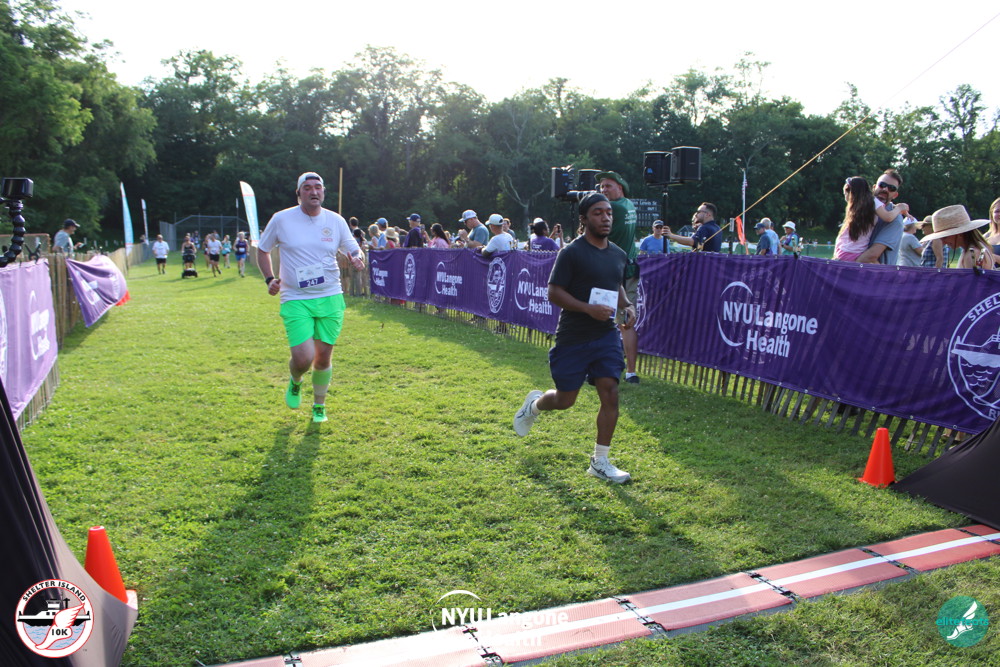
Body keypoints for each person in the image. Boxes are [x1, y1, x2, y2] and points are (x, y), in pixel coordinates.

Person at [512, 192, 635, 484]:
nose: (605, 218)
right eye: (598, 213)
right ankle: (534, 406)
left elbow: (616, 284)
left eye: (609, 213)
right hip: (574, 337)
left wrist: (627, 305)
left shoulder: (618, 254)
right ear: (584, 219)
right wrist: (588, 309)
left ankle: (600, 462)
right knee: (565, 400)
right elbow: (554, 292)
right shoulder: (572, 253)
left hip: (605, 335)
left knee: (610, 391)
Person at [256, 171, 365, 424]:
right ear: (299, 193)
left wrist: (357, 257)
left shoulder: (335, 220)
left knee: (323, 357)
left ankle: (319, 406)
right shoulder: (281, 219)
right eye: (307, 188)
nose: (313, 191)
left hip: (330, 295)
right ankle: (296, 379)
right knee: (303, 358)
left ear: (323, 192)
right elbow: (262, 250)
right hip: (295, 297)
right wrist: (270, 279)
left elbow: (352, 247)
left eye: (318, 187)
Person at [596, 171, 640, 384]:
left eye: (608, 186)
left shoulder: (614, 209)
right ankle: (631, 372)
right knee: (626, 322)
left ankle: (598, 365)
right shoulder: (629, 205)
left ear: (620, 188)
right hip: (629, 269)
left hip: (611, 271)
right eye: (602, 186)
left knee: (599, 319)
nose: (603, 190)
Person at [857, 169, 909, 264]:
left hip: (874, 272)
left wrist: (848, 268)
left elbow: (870, 257)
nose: (885, 189)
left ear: (895, 195)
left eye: (891, 188)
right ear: (874, 187)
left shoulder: (895, 220)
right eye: (882, 185)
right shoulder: (860, 210)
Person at [921, 205, 995, 270]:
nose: (943, 242)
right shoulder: (978, 248)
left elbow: (972, 281)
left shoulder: (971, 254)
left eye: (945, 237)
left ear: (959, 234)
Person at [834, 177, 877, 261]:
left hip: (844, 253)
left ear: (851, 193)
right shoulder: (873, 208)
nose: (846, 198)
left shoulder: (854, 213)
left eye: (845, 194)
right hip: (854, 253)